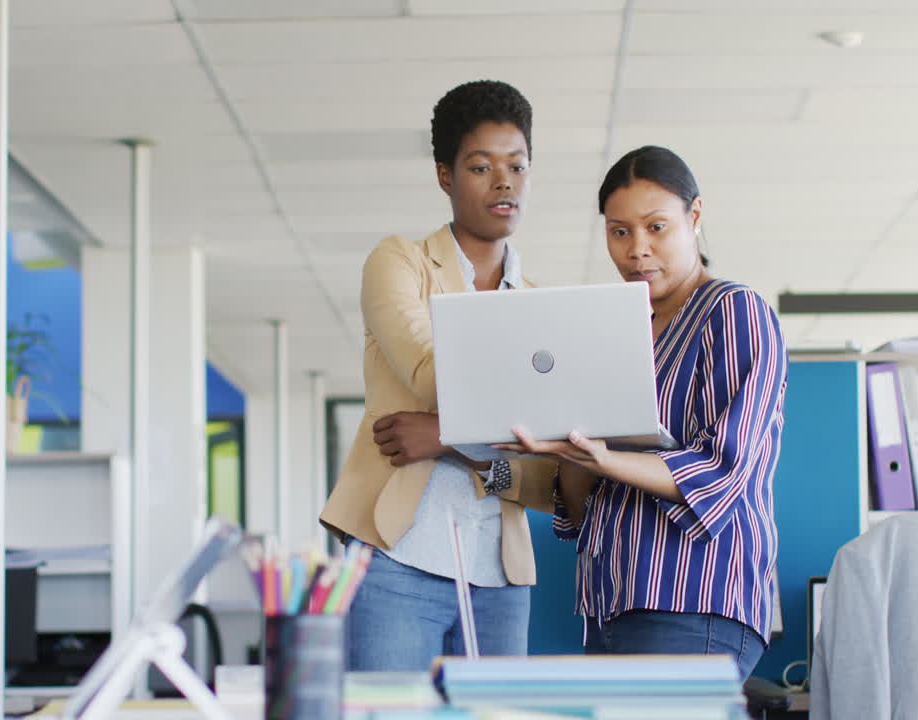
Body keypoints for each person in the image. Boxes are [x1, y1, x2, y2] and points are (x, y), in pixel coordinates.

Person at [497, 146, 787, 679]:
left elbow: (723, 473)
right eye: (619, 232)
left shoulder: (732, 311)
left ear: (694, 217)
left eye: (656, 227)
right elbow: (580, 512)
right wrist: (570, 449)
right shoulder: (617, 336)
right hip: (609, 604)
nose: (637, 250)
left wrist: (604, 457)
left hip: (692, 597)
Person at [319, 80, 557, 672]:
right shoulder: (398, 262)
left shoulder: (542, 305)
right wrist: (509, 420)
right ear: (445, 176)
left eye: (517, 166)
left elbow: (542, 475)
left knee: (499, 718)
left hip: (499, 577)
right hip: (398, 559)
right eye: (480, 166)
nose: (504, 182)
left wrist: (448, 440)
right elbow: (432, 378)